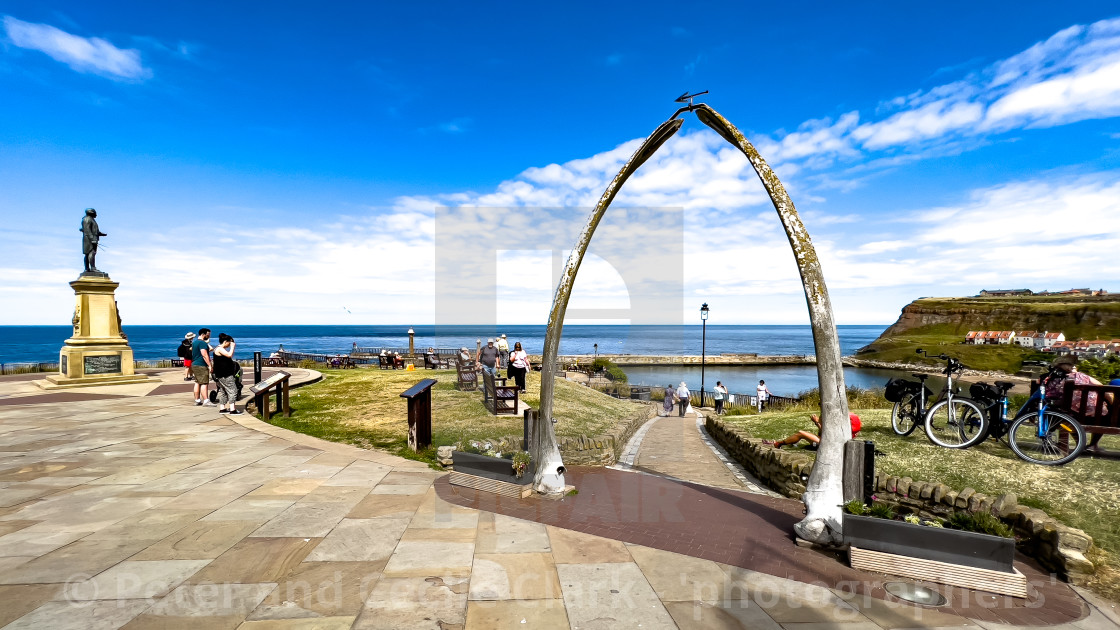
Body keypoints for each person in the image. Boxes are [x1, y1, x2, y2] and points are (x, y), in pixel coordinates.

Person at [764, 413, 862, 449]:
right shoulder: (849, 420)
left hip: (827, 443)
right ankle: (785, 443)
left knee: (801, 433)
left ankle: (779, 444)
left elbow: (829, 435)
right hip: (827, 440)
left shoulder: (843, 425)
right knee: (802, 434)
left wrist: (816, 422)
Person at [212, 334, 242, 415]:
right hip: (225, 374)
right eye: (229, 343)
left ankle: (222, 408)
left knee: (224, 391)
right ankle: (232, 409)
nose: (230, 345)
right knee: (233, 390)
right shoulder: (219, 349)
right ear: (225, 342)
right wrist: (232, 347)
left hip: (220, 374)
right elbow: (229, 355)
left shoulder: (219, 349)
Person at [191, 328, 215, 406]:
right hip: (201, 364)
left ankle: (197, 400)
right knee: (204, 383)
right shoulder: (202, 343)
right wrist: (209, 365)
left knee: (197, 382)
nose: (209, 336)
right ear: (203, 334)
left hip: (194, 364)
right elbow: (204, 354)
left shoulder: (194, 343)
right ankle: (206, 400)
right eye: (208, 335)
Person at [80, 208, 107, 273]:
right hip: (89, 239)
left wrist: (100, 234)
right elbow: (87, 230)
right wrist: (92, 239)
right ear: (91, 213)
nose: (96, 214)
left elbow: (91, 230)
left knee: (88, 253)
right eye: (95, 213)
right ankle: (92, 268)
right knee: (91, 252)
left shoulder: (90, 219)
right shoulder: (87, 219)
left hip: (88, 238)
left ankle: (87, 269)